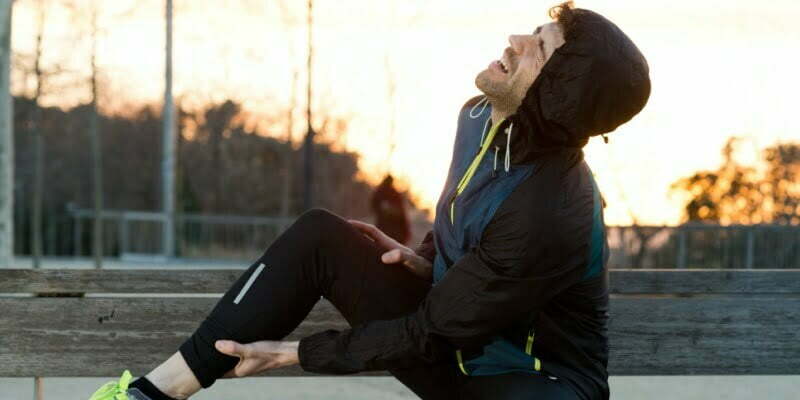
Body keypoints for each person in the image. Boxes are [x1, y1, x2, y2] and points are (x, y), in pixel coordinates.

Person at [89, 3, 649, 400]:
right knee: (323, 238)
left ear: (558, 95)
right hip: (457, 351)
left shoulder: (552, 209)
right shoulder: (479, 116)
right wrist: (425, 258)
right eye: (535, 29)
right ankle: (148, 396)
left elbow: (433, 330)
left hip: (531, 383)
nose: (516, 40)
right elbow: (466, 223)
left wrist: (298, 355)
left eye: (539, 49)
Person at [371, 174, 411, 245]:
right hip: (385, 228)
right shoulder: (381, 193)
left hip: (394, 230)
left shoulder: (393, 193)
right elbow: (374, 206)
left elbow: (401, 213)